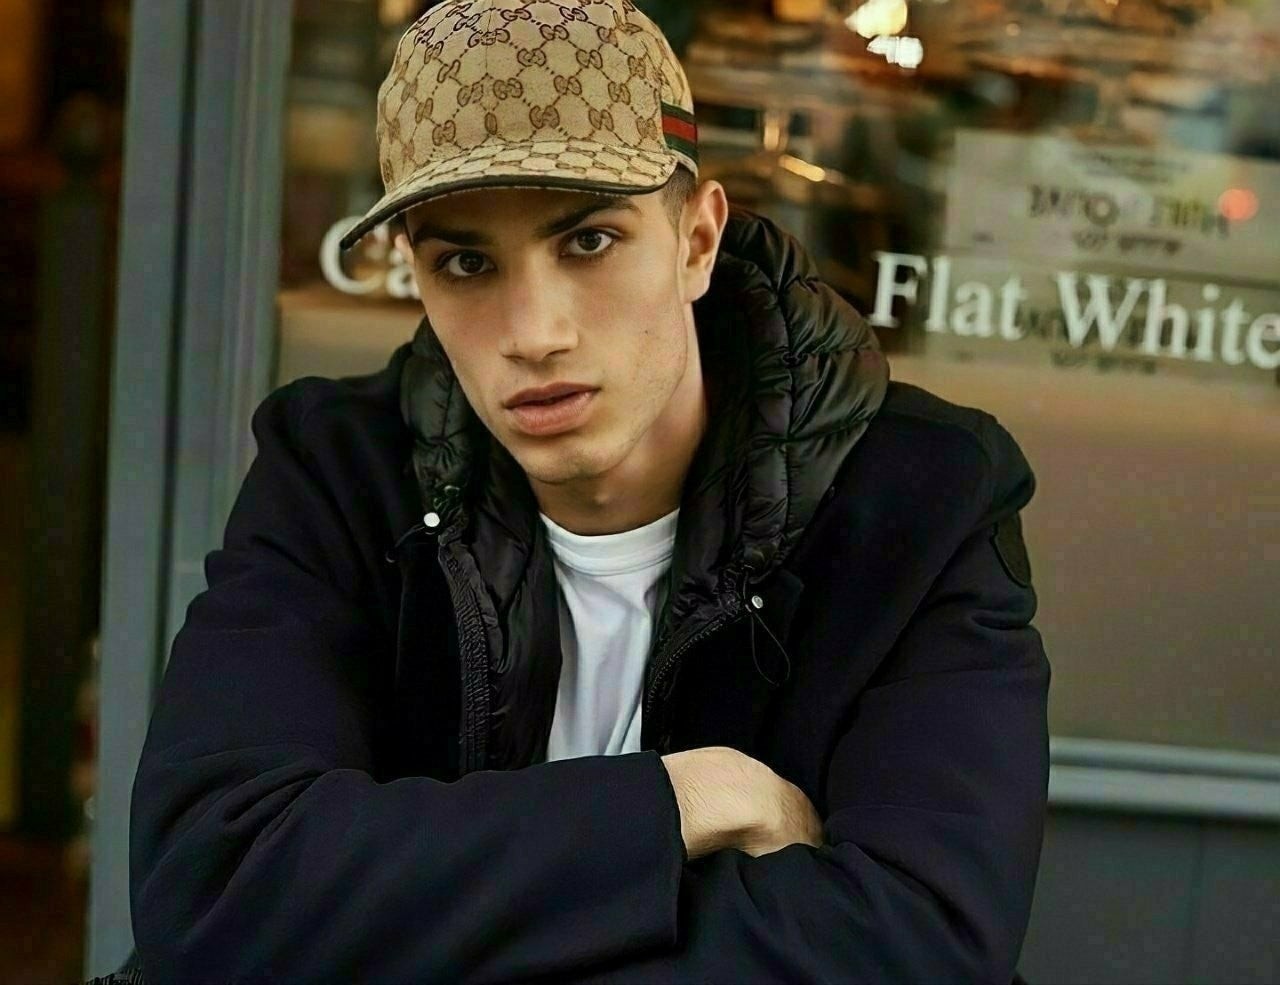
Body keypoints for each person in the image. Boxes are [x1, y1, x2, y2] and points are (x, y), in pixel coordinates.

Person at [128, 1, 1050, 982]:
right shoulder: (341, 469)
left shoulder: (919, 496)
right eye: (467, 263)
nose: (534, 331)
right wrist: (679, 801)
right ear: (415, 275)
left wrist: (422, 920)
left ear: (696, 240)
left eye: (588, 242)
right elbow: (214, 882)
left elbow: (919, 943)